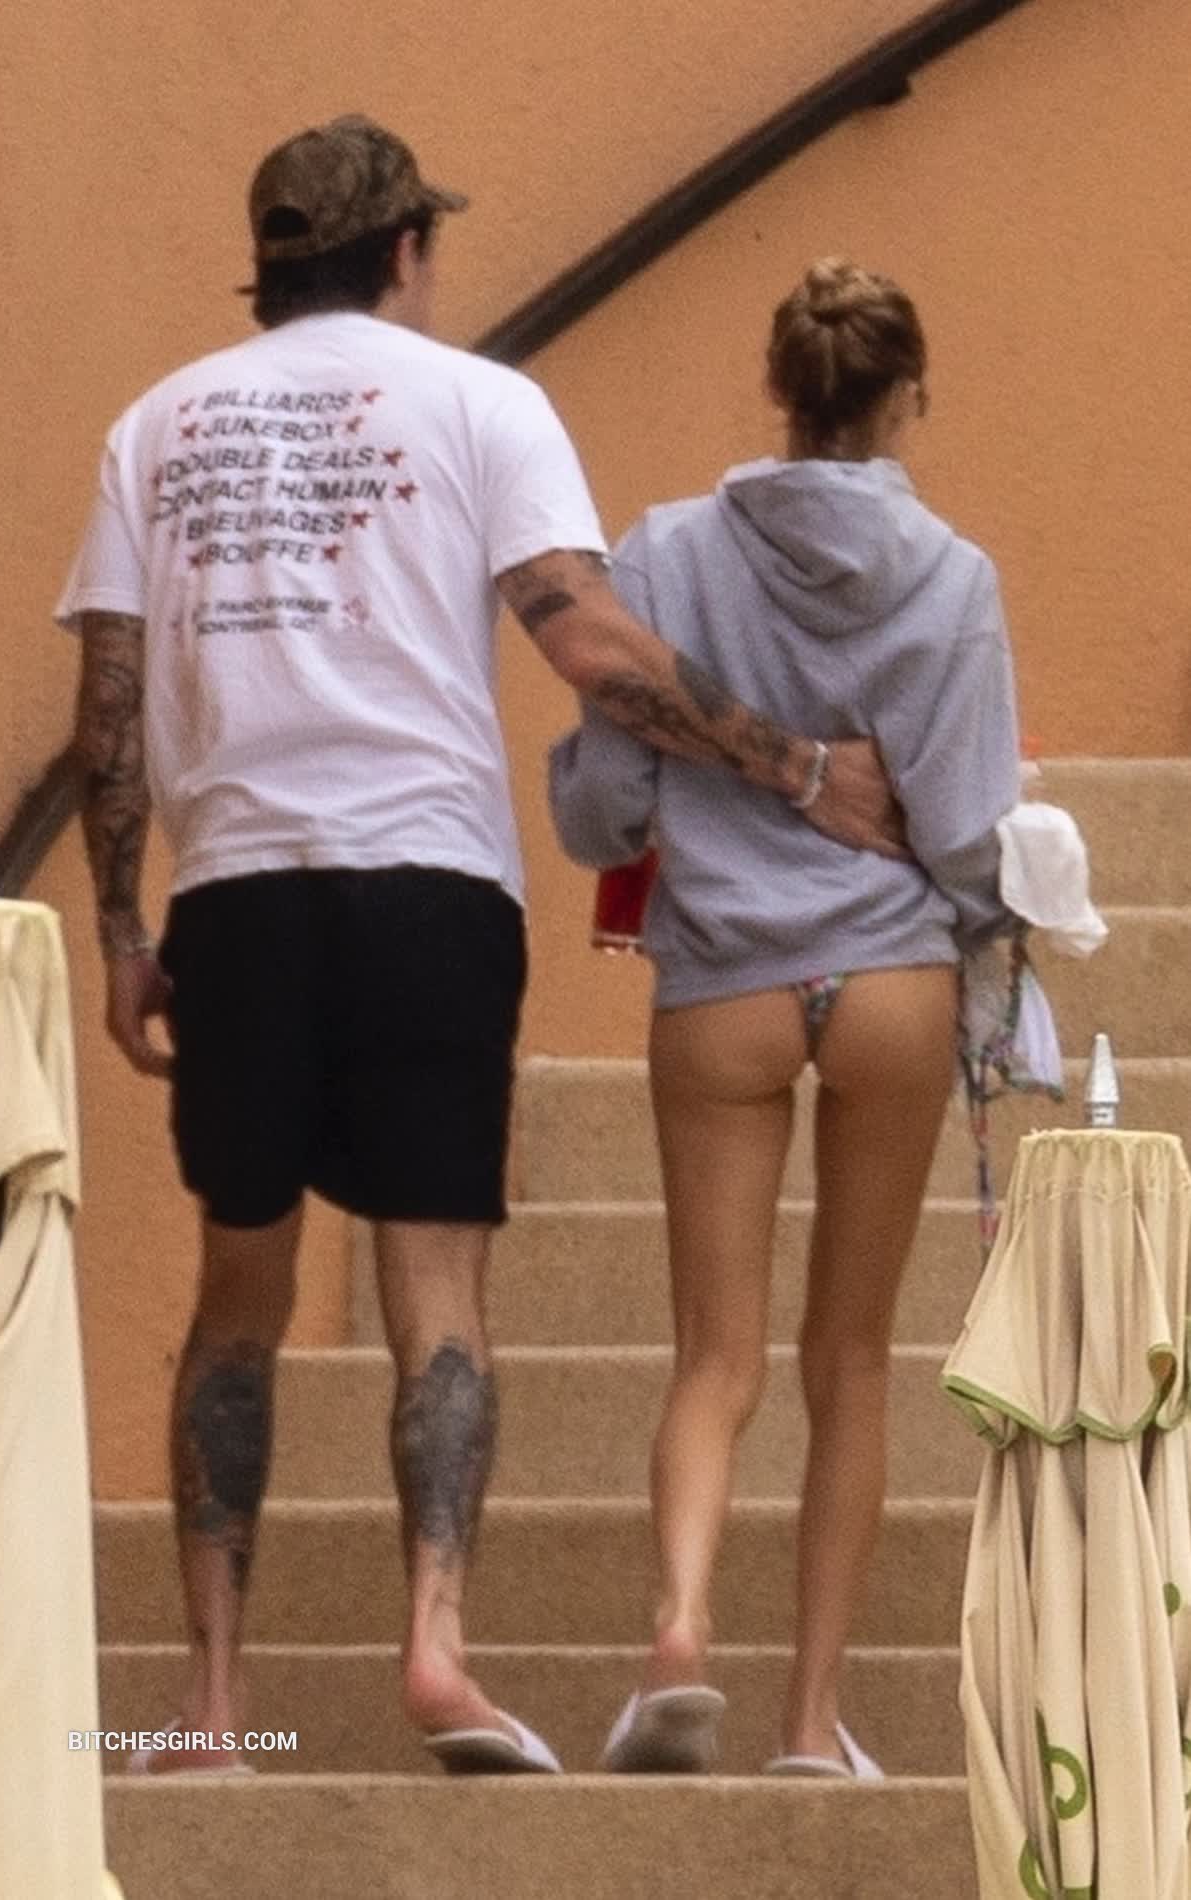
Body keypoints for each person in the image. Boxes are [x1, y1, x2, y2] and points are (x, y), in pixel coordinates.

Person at [59, 116, 904, 1779]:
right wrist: (796, 766)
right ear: (404, 251)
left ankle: (212, 1707)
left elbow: (107, 703)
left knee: (238, 1293)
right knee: (437, 1284)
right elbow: (590, 645)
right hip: (433, 884)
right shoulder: (479, 405)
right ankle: (437, 1647)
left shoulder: (154, 425)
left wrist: (120, 928)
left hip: (238, 887)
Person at [549, 258, 1021, 1777]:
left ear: (776, 389)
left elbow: (608, 805)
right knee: (852, 1360)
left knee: (714, 1356)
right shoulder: (954, 579)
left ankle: (681, 1631)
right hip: (890, 980)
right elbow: (969, 833)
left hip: (724, 979)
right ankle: (813, 1723)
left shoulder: (665, 553)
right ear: (910, 398)